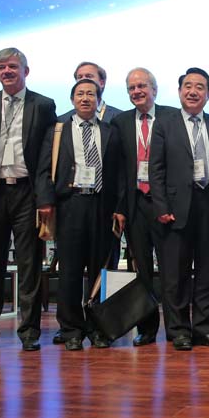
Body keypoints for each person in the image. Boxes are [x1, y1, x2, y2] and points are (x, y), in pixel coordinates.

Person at [0, 48, 57, 353]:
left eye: (13, 66)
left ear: (25, 71)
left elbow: (47, 157)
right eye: (2, 67)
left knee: (30, 265)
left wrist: (45, 197)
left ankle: (29, 331)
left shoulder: (43, 104)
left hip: (28, 194)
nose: (7, 71)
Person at [149, 67, 209, 350]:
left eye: (200, 87)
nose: (193, 91)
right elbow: (156, 169)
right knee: (176, 274)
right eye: (188, 86)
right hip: (176, 207)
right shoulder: (165, 124)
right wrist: (161, 205)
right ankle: (178, 331)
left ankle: (203, 328)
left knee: (208, 272)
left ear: (208, 94)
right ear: (179, 91)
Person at [36, 79, 121, 350]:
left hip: (102, 206)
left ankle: (98, 328)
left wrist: (120, 208)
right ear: (72, 99)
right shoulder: (57, 130)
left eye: (91, 94)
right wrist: (46, 201)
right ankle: (71, 329)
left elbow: (121, 174)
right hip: (69, 204)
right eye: (80, 94)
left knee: (100, 271)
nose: (86, 98)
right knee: (70, 271)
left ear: (99, 99)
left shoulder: (110, 131)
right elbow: (43, 169)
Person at [110, 67, 173, 346]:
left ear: (154, 90)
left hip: (165, 205)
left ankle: (176, 328)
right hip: (135, 205)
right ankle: (146, 329)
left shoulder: (171, 117)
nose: (137, 91)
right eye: (132, 88)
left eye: (142, 86)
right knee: (142, 271)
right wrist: (120, 207)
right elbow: (119, 171)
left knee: (171, 269)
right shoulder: (121, 122)